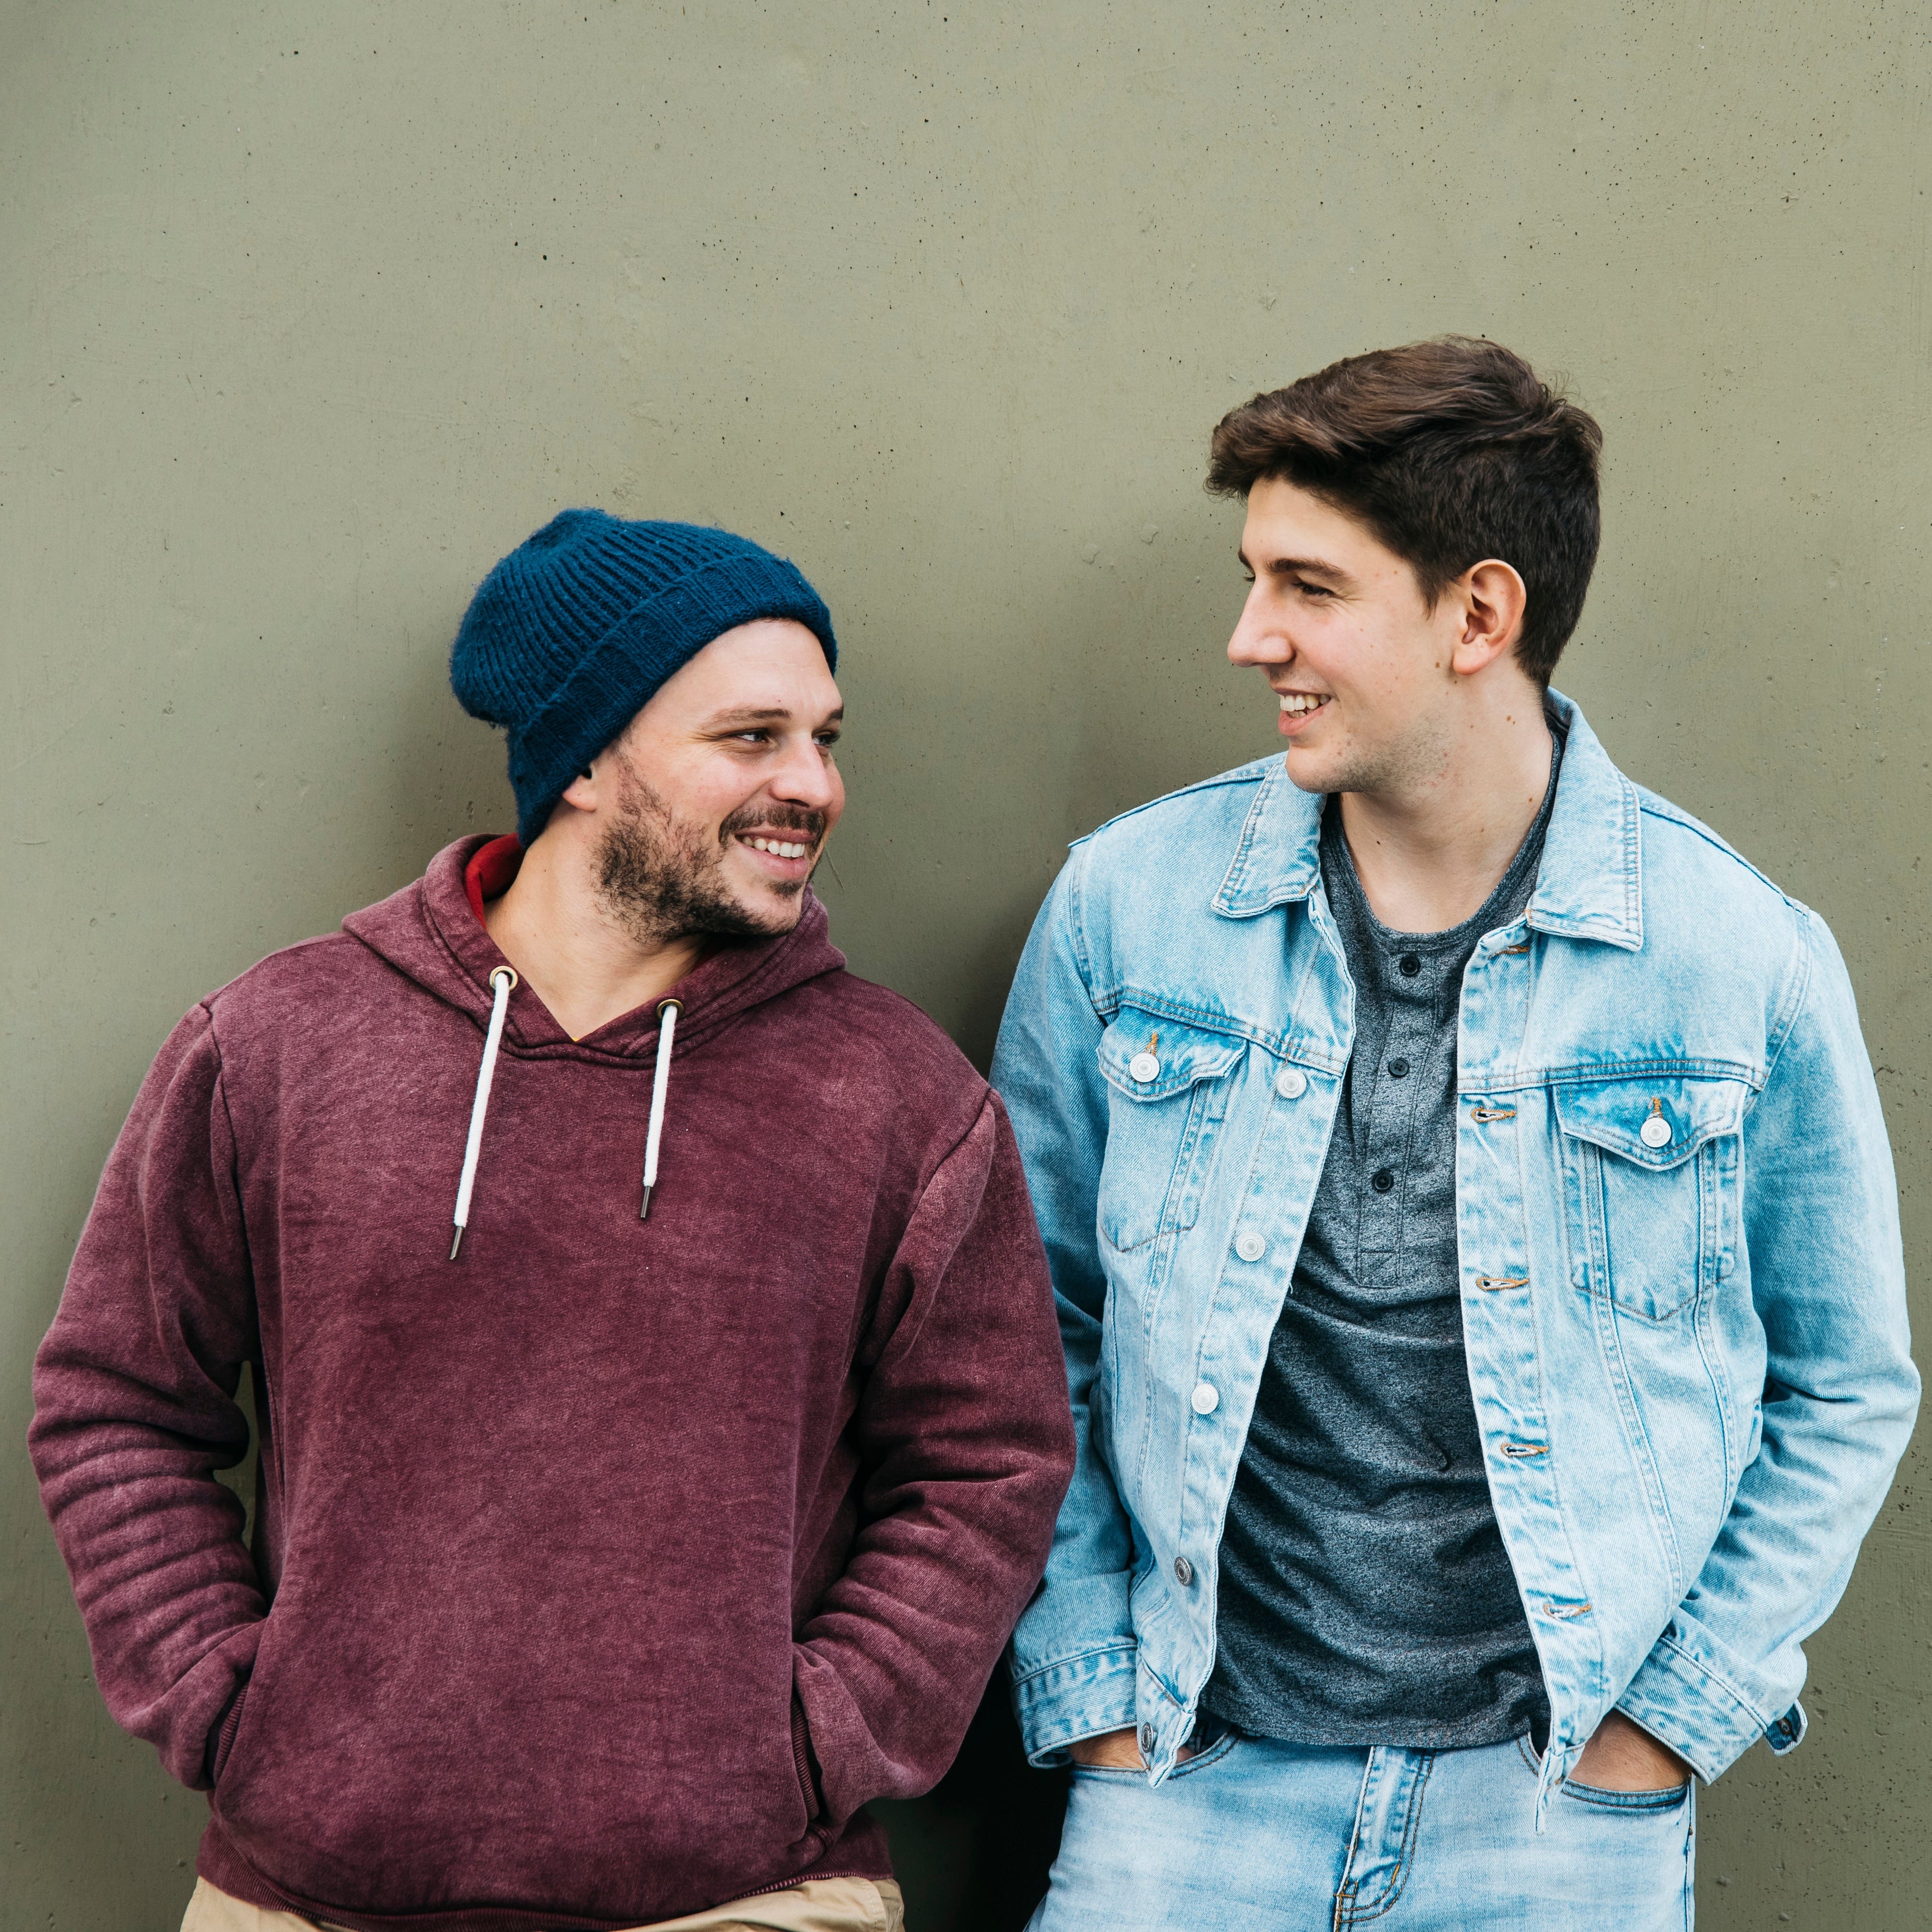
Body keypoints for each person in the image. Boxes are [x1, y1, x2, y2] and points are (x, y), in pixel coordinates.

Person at [31, 511, 1075, 1932]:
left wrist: (820, 1741)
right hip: (308, 1898)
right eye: (752, 738)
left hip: (748, 1898)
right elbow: (115, 1402)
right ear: (584, 758)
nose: (812, 786)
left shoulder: (895, 1098)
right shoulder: (275, 1046)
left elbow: (990, 1461)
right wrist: (230, 1711)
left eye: (826, 738)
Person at [990, 339, 1917, 1929]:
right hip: (1187, 1780)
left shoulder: (1735, 957)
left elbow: (1847, 1385)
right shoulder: (1129, 909)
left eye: (1307, 587)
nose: (1248, 637)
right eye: (1252, 577)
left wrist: (1658, 1732)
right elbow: (1020, 1326)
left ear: (1479, 614)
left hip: (1554, 1805)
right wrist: (1095, 1699)